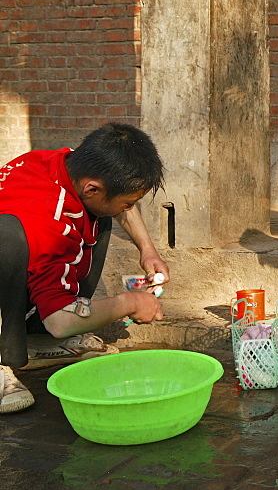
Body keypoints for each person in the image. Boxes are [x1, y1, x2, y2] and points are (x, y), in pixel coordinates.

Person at [0, 123, 168, 413]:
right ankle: (4, 359)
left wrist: (148, 250)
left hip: (34, 239)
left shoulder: (70, 165)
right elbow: (60, 321)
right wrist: (131, 301)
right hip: (13, 242)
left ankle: (35, 341)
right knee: (8, 237)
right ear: (93, 187)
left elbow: (118, 200)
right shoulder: (50, 218)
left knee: (101, 214)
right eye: (128, 203)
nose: (127, 209)